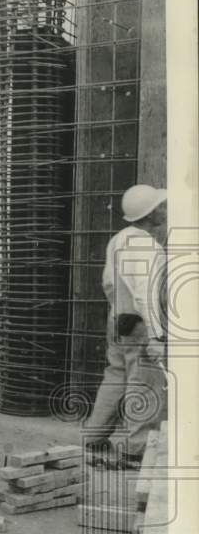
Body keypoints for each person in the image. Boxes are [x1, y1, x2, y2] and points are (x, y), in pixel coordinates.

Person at [84, 184, 168, 469]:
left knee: (115, 377)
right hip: (140, 325)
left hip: (118, 320)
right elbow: (146, 294)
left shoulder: (118, 240)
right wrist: (157, 335)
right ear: (150, 212)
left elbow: (109, 282)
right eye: (160, 206)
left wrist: (118, 311)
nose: (164, 210)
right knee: (144, 385)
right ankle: (135, 452)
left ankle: (93, 441)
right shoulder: (148, 246)